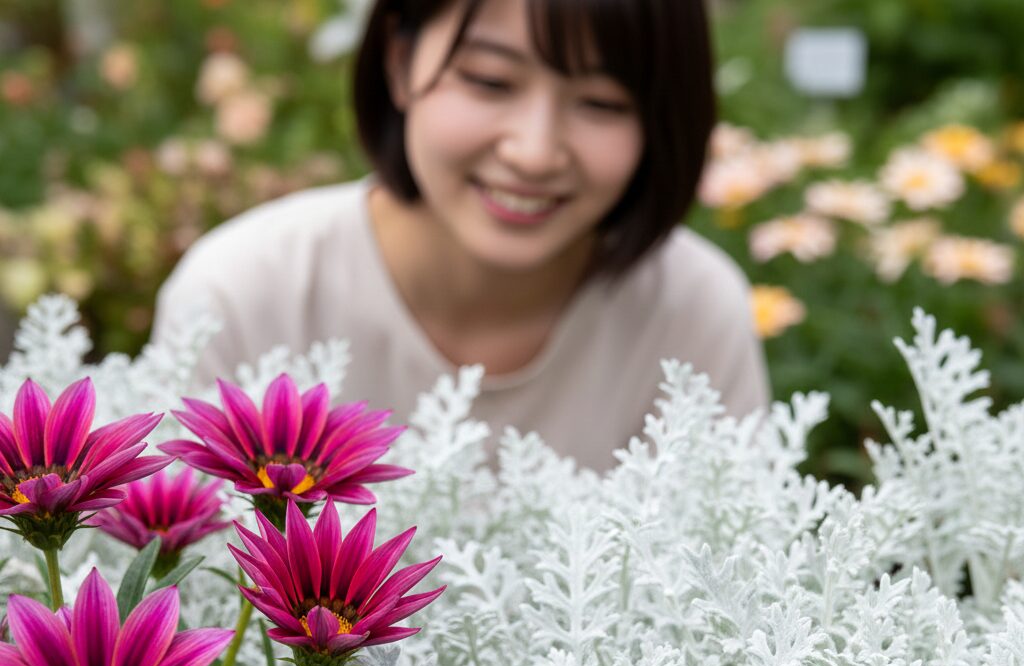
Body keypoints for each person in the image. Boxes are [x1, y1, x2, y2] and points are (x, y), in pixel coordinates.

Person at [149, 0, 770, 471]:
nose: (534, 151)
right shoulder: (244, 294)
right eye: (490, 81)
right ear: (399, 60)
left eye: (602, 102)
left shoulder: (692, 313)